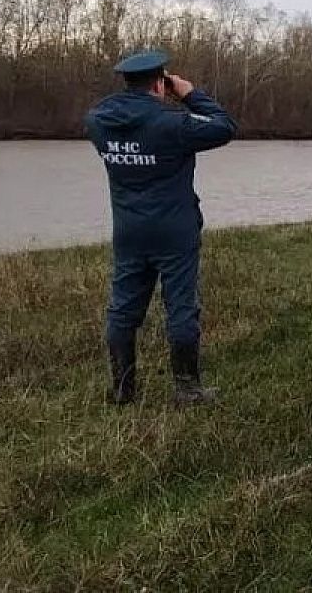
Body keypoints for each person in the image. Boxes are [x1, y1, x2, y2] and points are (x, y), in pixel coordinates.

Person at [85, 50, 237, 405]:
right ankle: (188, 389)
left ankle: (123, 390)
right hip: (174, 230)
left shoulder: (98, 122)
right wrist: (187, 93)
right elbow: (224, 126)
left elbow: (106, 110)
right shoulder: (172, 123)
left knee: (122, 308)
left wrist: (134, 96)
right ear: (159, 84)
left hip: (129, 230)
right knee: (181, 307)